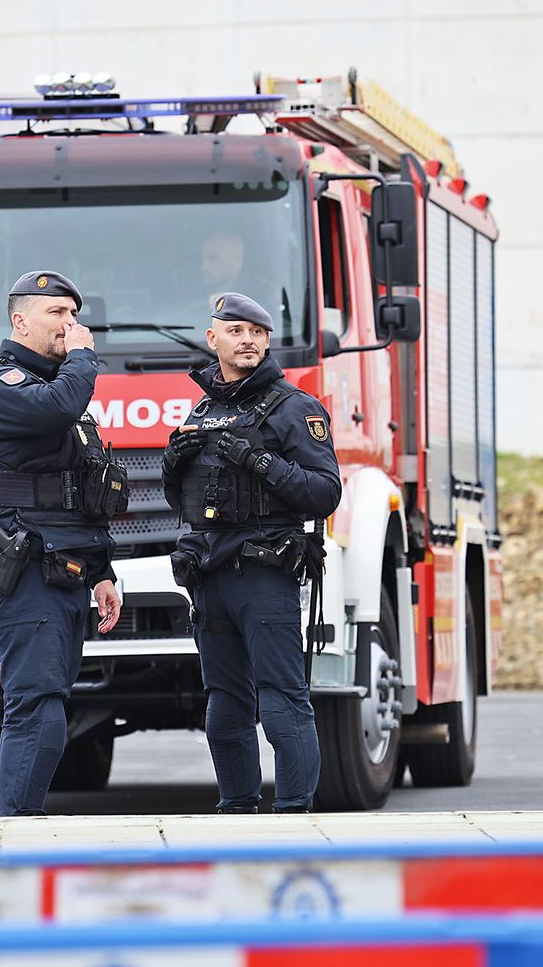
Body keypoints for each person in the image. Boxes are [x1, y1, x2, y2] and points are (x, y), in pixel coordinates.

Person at [162, 292, 342, 813]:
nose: (247, 341)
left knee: (282, 700)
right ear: (212, 337)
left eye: (257, 333)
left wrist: (261, 462)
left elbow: (325, 493)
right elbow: (188, 502)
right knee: (224, 706)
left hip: (265, 574)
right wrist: (175, 465)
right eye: (236, 331)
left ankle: (292, 814)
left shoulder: (295, 408)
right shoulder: (203, 408)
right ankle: (237, 808)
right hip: (210, 576)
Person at [0, 270, 125, 816]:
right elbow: (57, 406)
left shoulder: (59, 392)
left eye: (75, 316)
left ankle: (23, 826)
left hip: (67, 571)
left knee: (49, 705)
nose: (71, 326)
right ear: (20, 320)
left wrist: (103, 571)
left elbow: (82, 494)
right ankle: (17, 836)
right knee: (37, 709)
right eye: (58, 314)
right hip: (25, 571)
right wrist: (83, 360)